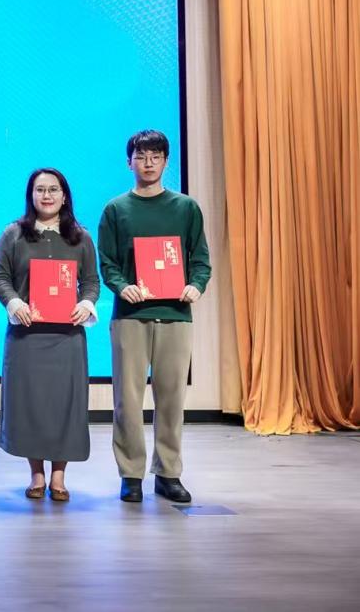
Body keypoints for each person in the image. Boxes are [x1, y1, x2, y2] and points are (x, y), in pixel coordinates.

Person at [97, 130, 211, 504]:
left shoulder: (185, 208)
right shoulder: (116, 209)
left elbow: (201, 260)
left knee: (172, 399)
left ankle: (168, 473)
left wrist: (196, 285)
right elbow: (107, 263)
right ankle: (131, 475)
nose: (148, 163)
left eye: (155, 156)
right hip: (131, 315)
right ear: (129, 162)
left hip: (175, 315)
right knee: (127, 401)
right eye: (141, 156)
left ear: (165, 161)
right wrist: (122, 286)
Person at [0, 168, 100, 502]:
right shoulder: (14, 234)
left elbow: (91, 281)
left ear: (64, 196)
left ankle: (59, 476)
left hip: (67, 338)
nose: (47, 195)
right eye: (40, 190)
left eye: (53, 189)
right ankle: (37, 474)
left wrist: (86, 303)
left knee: (64, 405)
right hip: (26, 337)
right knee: (31, 405)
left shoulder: (80, 237)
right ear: (31, 195)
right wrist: (13, 302)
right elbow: (0, 276)